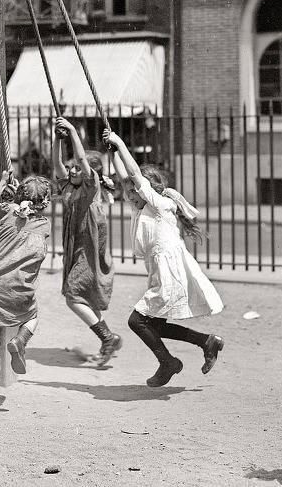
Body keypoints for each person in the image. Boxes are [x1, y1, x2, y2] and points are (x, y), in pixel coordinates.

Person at [105, 129, 224, 388]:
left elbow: (134, 175)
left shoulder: (158, 205)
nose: (127, 196)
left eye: (131, 192)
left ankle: (168, 362)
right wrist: (112, 151)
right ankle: (207, 342)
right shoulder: (141, 206)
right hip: (161, 270)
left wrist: (120, 140)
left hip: (169, 271)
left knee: (137, 321)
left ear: (145, 190)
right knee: (154, 325)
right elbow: (125, 176)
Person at [52, 117, 122, 366]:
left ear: (90, 173)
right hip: (77, 246)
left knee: (73, 297)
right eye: (71, 168)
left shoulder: (91, 187)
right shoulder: (69, 187)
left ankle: (108, 337)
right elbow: (57, 164)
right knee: (85, 296)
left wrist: (71, 130)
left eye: (77, 169)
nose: (72, 171)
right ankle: (107, 340)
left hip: (89, 247)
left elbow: (82, 159)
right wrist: (57, 139)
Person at [0, 174, 53, 391]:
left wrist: (3, 185)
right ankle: (20, 341)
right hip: (21, 290)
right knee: (32, 317)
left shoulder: (4, 212)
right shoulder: (44, 225)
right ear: (46, 202)